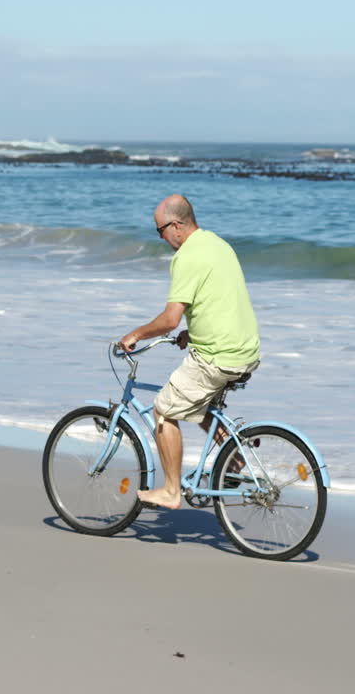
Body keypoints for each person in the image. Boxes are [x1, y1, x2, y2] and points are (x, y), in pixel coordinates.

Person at [119, 194, 260, 510]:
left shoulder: (186, 257)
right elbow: (218, 300)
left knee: (165, 409)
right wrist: (192, 332)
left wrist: (135, 334)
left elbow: (169, 320)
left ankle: (171, 491)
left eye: (160, 230)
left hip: (218, 356)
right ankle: (233, 464)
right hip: (245, 349)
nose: (161, 238)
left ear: (176, 225)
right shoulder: (218, 245)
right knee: (198, 404)